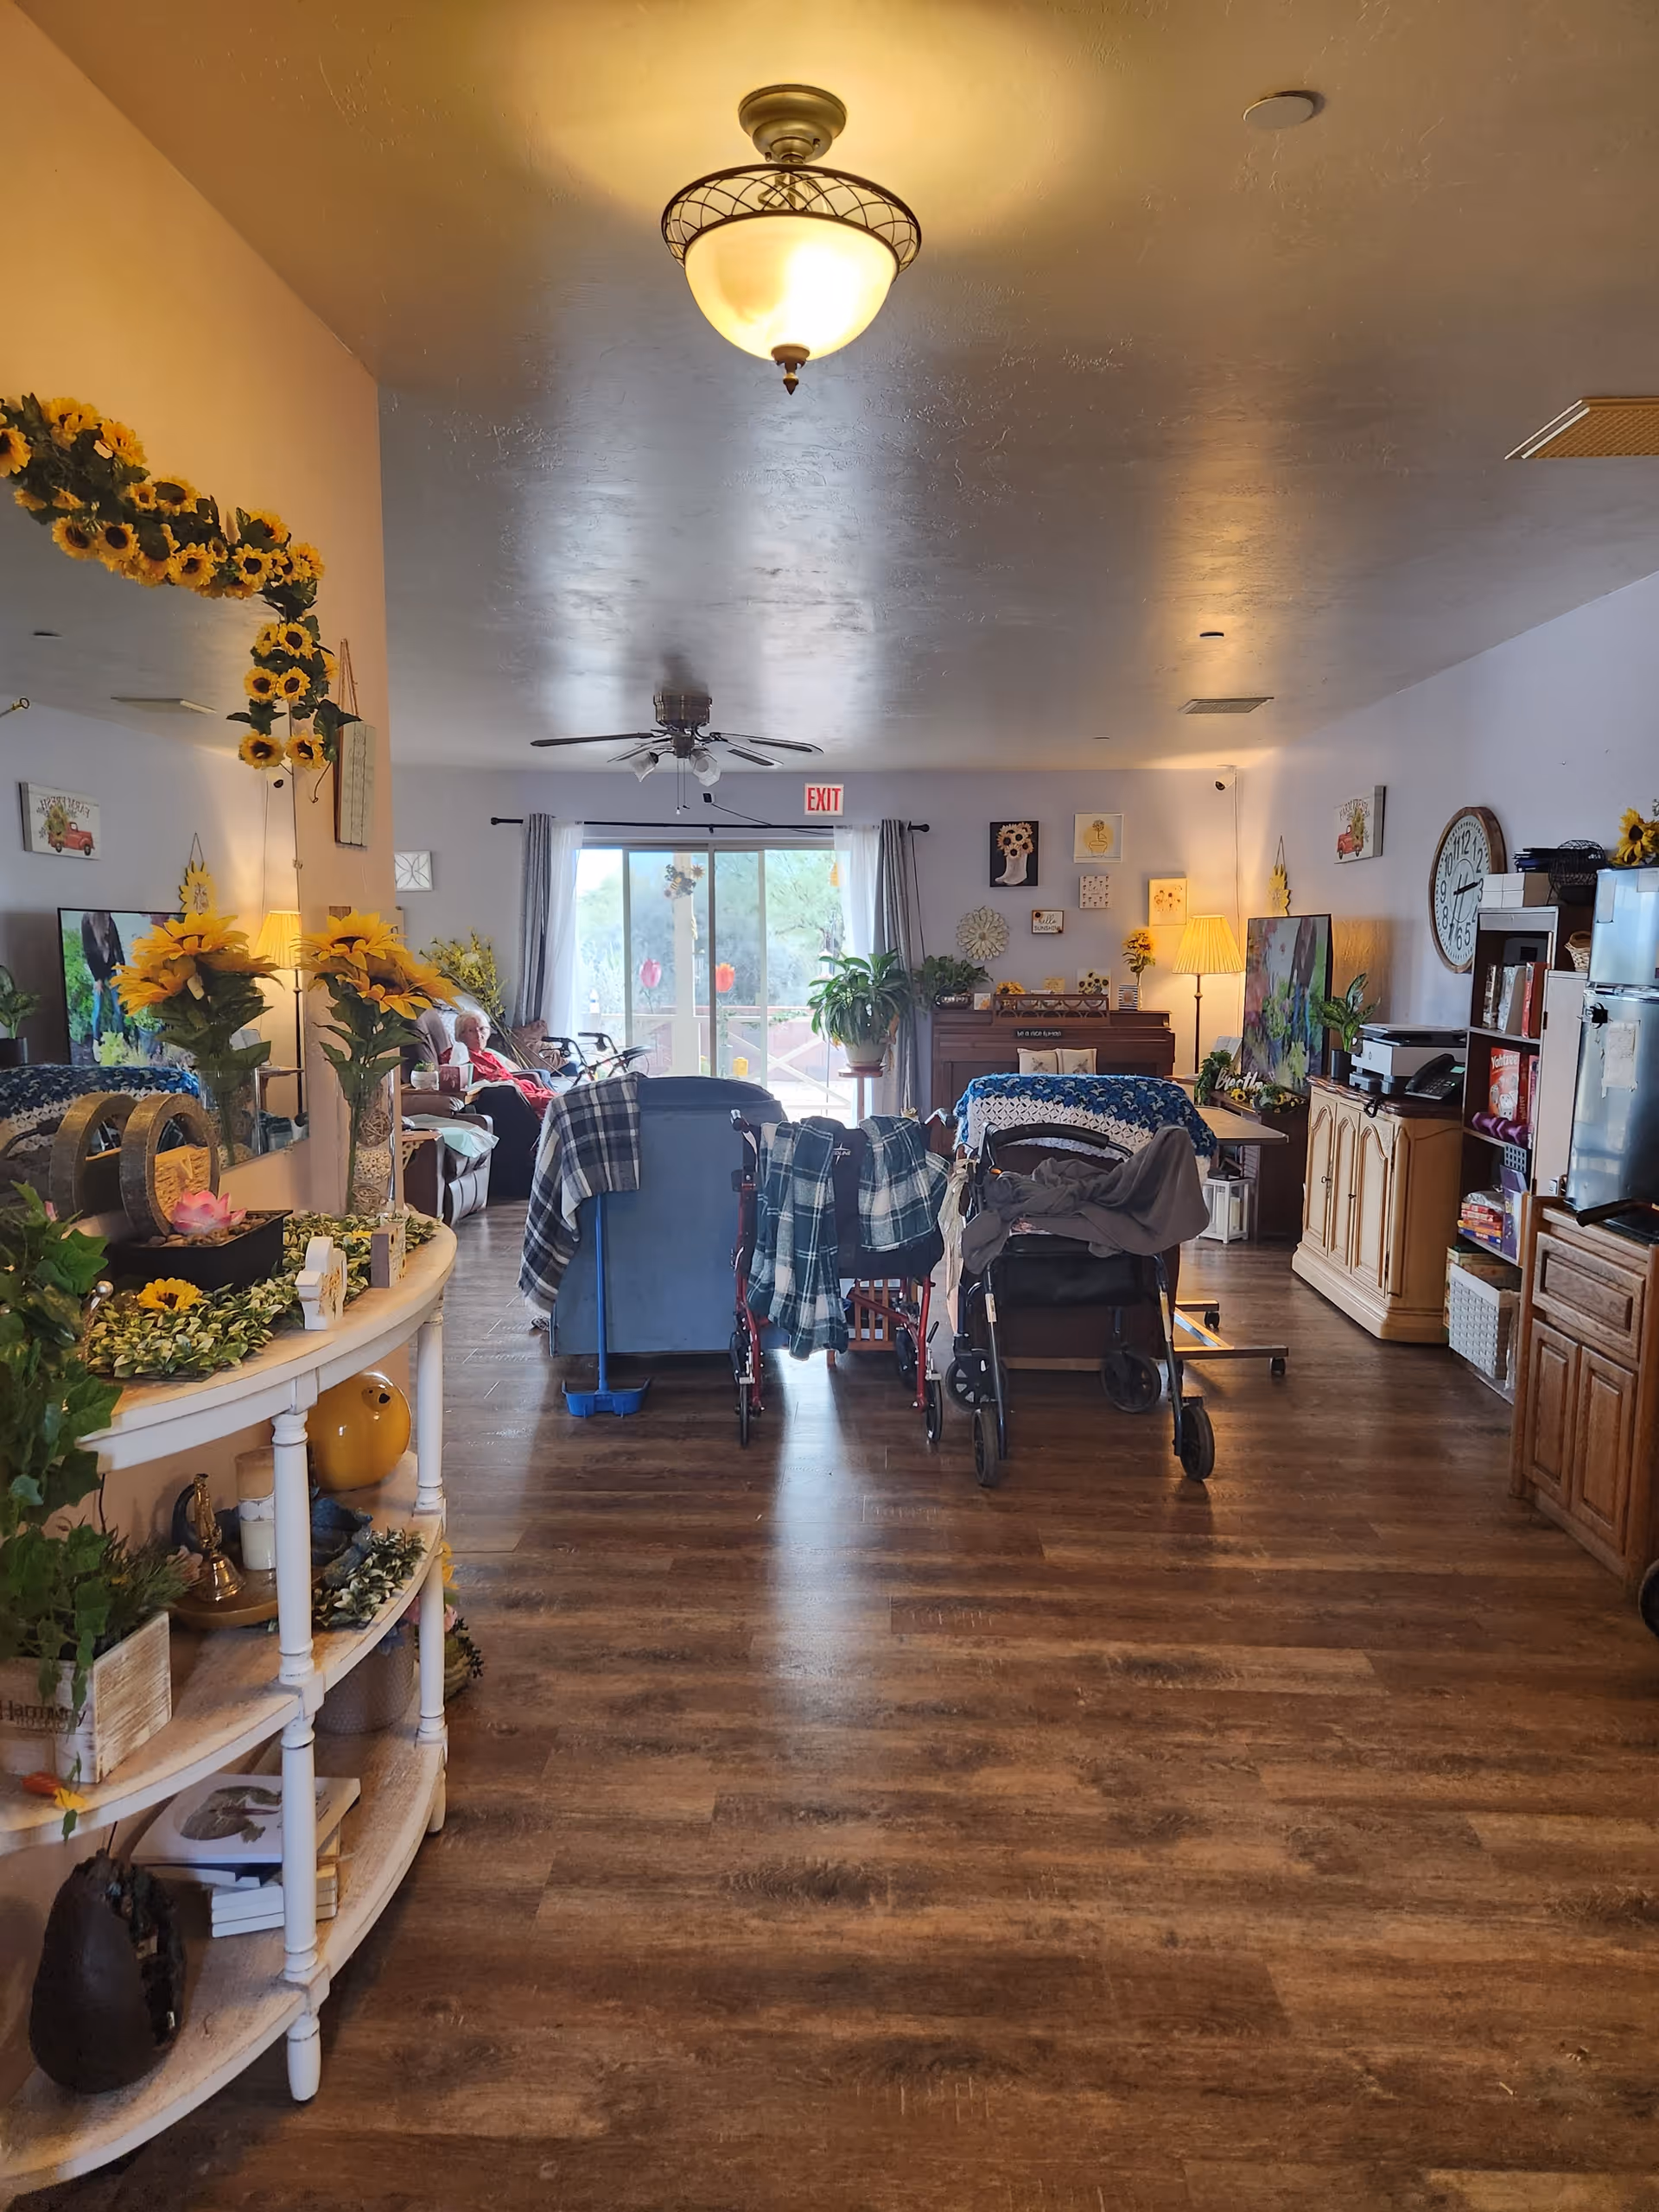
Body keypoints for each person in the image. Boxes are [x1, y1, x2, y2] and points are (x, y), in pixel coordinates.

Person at [444, 1010, 556, 1109]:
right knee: (554, 1104)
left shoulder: (488, 1055)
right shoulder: (458, 1057)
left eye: (482, 1029)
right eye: (471, 1031)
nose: (479, 1035)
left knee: (554, 1099)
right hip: (504, 1099)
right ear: (461, 1035)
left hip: (521, 1091)